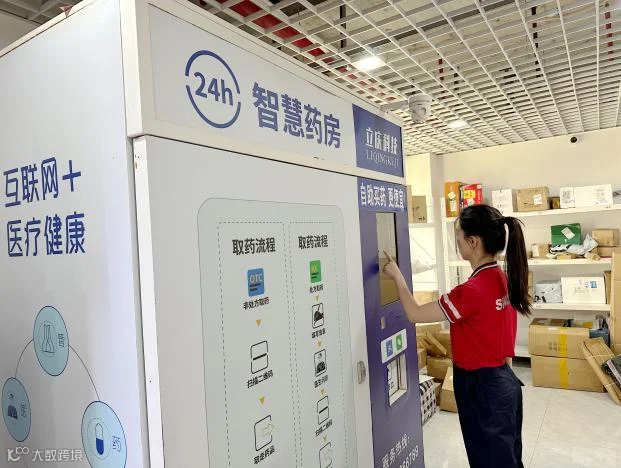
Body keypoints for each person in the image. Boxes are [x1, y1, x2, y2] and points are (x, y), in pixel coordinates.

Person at [383, 204, 530, 468]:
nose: (456, 242)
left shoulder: (470, 291)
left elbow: (414, 313)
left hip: (481, 388)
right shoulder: (500, 277)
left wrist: (396, 276)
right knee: (507, 458)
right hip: (503, 382)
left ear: (473, 242)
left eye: (458, 236)